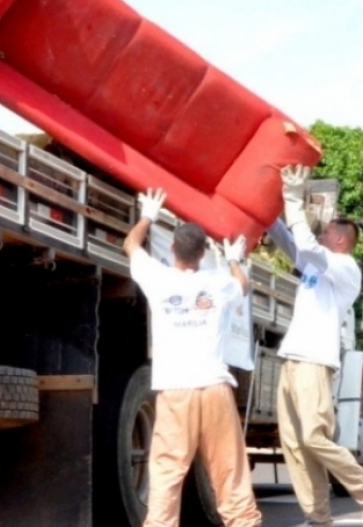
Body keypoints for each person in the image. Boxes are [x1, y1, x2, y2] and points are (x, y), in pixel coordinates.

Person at [122, 187, 262, 527]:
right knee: (229, 469)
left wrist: (148, 215)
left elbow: (131, 246)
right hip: (214, 388)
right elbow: (242, 284)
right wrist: (232, 257)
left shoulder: (159, 278)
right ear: (202, 254)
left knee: (167, 472)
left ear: (172, 250)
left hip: (176, 391)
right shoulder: (217, 284)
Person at [267, 164, 363, 527]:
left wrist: (293, 198)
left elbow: (305, 243)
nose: (323, 230)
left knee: (314, 436)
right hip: (292, 360)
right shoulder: (315, 266)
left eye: (330, 228)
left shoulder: (345, 268)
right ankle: (318, 518)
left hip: (314, 362)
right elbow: (291, 243)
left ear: (341, 239)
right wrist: (268, 214)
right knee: (295, 446)